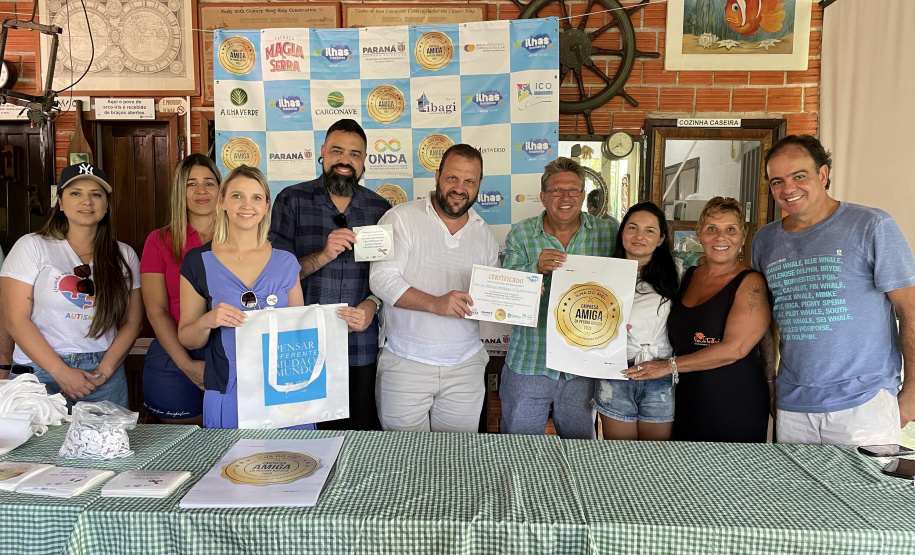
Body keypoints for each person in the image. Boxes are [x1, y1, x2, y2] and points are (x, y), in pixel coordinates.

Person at [753, 135, 915, 445]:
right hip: (793, 405)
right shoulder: (765, 240)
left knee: (866, 495)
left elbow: (911, 309)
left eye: (799, 175)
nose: (788, 189)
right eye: (777, 181)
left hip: (864, 403)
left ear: (823, 175)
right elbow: (766, 321)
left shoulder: (872, 225)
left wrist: (912, 394)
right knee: (796, 494)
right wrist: (772, 386)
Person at [270, 118, 390, 431]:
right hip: (302, 345)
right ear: (322, 152)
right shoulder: (291, 200)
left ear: (364, 161)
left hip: (359, 343)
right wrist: (323, 255)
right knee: (307, 438)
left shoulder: (381, 209)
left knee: (361, 435)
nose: (345, 160)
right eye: (337, 151)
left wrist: (372, 303)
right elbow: (273, 279)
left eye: (355, 154)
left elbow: (388, 277)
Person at [369, 144, 498, 433]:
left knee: (455, 460)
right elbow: (381, 279)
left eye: (469, 181)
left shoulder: (484, 234)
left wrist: (519, 301)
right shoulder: (400, 218)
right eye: (452, 178)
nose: (460, 188)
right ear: (438, 176)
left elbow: (489, 296)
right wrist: (435, 303)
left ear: (479, 185)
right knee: (404, 461)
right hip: (405, 363)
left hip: (465, 366)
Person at [626, 197, 772, 442]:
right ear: (699, 234)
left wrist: (668, 366)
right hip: (685, 397)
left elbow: (734, 350)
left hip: (733, 400)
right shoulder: (688, 275)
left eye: (730, 230)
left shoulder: (751, 283)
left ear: (743, 236)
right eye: (711, 229)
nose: (720, 237)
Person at [178, 165, 312, 429]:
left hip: (284, 387)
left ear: (266, 207)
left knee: (293, 464)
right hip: (228, 387)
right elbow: (187, 337)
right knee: (229, 468)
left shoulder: (286, 260)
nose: (246, 205)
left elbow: (302, 330)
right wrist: (209, 320)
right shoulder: (198, 262)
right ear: (223, 202)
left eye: (256, 198)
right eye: (237, 196)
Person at [0, 163, 142, 407]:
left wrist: (104, 372)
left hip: (102, 371)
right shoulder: (32, 246)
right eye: (75, 193)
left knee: (107, 445)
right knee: (35, 446)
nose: (86, 201)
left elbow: (133, 321)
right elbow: (15, 319)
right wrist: (61, 372)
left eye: (96, 195)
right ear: (61, 203)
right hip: (39, 371)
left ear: (106, 205)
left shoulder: (123, 254)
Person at [499, 157, 617, 440]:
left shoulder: (609, 233)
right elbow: (505, 298)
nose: (565, 197)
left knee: (580, 451)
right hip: (530, 363)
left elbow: (627, 284)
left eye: (574, 190)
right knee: (518, 449)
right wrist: (533, 271)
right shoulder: (522, 234)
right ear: (543, 197)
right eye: (556, 191)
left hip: (582, 367)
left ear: (583, 195)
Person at [141, 154, 220, 424]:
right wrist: (186, 365)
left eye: (209, 183)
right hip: (174, 352)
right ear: (180, 191)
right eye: (191, 183)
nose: (201, 191)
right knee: (183, 450)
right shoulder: (159, 240)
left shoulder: (240, 237)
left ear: (221, 189)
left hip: (229, 351)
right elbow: (156, 310)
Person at [593, 202, 680, 441]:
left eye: (650, 230)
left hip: (660, 375)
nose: (640, 236)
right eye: (632, 227)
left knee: (655, 460)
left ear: (661, 239)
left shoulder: (678, 274)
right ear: (622, 233)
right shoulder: (601, 275)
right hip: (617, 373)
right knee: (621, 459)